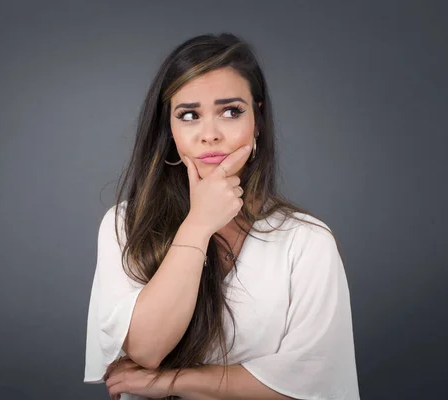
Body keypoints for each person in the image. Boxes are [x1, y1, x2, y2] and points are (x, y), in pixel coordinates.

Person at [84, 33, 360, 400]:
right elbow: (146, 348)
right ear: (170, 129)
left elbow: (313, 384)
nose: (210, 135)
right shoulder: (125, 224)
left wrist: (172, 380)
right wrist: (199, 224)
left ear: (257, 120)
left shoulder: (306, 241)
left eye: (231, 111)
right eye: (189, 115)